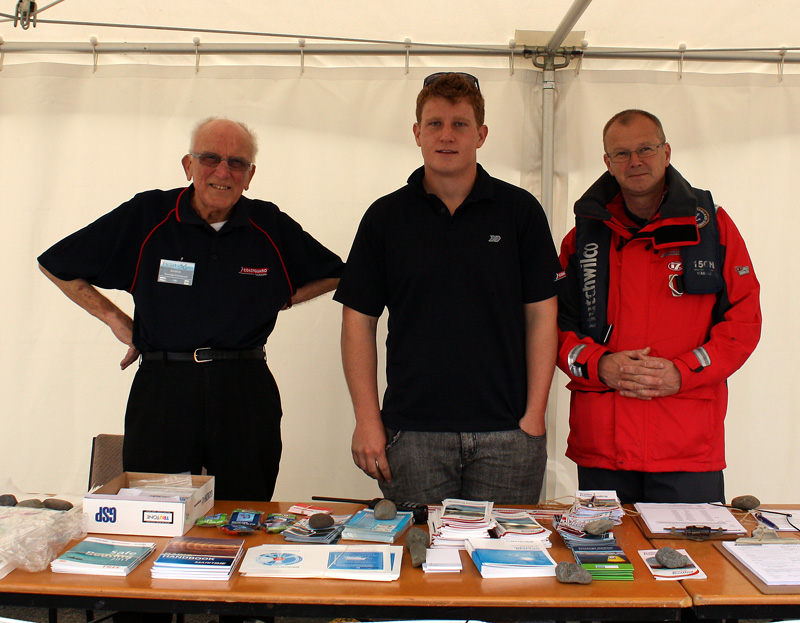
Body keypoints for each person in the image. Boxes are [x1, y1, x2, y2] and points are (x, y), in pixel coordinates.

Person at [38, 117, 344, 503]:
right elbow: (57, 263)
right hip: (164, 387)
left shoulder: (268, 224)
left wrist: (280, 297)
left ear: (249, 175)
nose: (222, 171)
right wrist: (116, 320)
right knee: (154, 509)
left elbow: (335, 273)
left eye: (237, 163)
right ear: (188, 165)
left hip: (244, 388)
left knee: (244, 512)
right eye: (210, 158)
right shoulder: (148, 214)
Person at [334, 73, 562, 505]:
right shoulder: (385, 217)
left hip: (508, 436)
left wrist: (534, 416)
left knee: (505, 568)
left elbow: (542, 316)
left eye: (460, 124)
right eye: (435, 123)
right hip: (411, 435)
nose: (447, 135)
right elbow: (358, 321)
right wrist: (367, 421)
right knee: (420, 568)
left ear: (481, 134)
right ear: (417, 133)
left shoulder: (520, 213)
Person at [557, 109, 761, 504]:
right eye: (621, 153)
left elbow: (744, 323)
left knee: (691, 565)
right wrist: (600, 364)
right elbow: (552, 327)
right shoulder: (582, 239)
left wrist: (682, 373)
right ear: (607, 163)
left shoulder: (713, 228)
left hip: (686, 447)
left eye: (645, 149)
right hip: (604, 443)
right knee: (608, 564)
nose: (635, 161)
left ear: (666, 152)